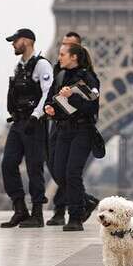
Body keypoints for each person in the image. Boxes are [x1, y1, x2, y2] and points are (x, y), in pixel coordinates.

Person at [0, 28, 53, 228]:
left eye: (16, 40)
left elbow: (48, 93)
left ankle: (37, 213)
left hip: (34, 123)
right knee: (8, 164)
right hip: (18, 122)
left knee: (34, 167)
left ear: (28, 41)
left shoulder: (42, 65)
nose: (13, 44)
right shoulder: (20, 67)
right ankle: (20, 208)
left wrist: (35, 116)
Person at [44, 43, 100, 231]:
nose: (59, 57)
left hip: (82, 131)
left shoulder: (88, 77)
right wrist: (50, 109)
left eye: (62, 54)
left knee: (72, 173)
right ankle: (86, 201)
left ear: (74, 57)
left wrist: (72, 97)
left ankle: (75, 216)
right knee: (59, 172)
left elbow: (92, 108)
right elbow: (51, 99)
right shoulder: (59, 75)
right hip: (63, 130)